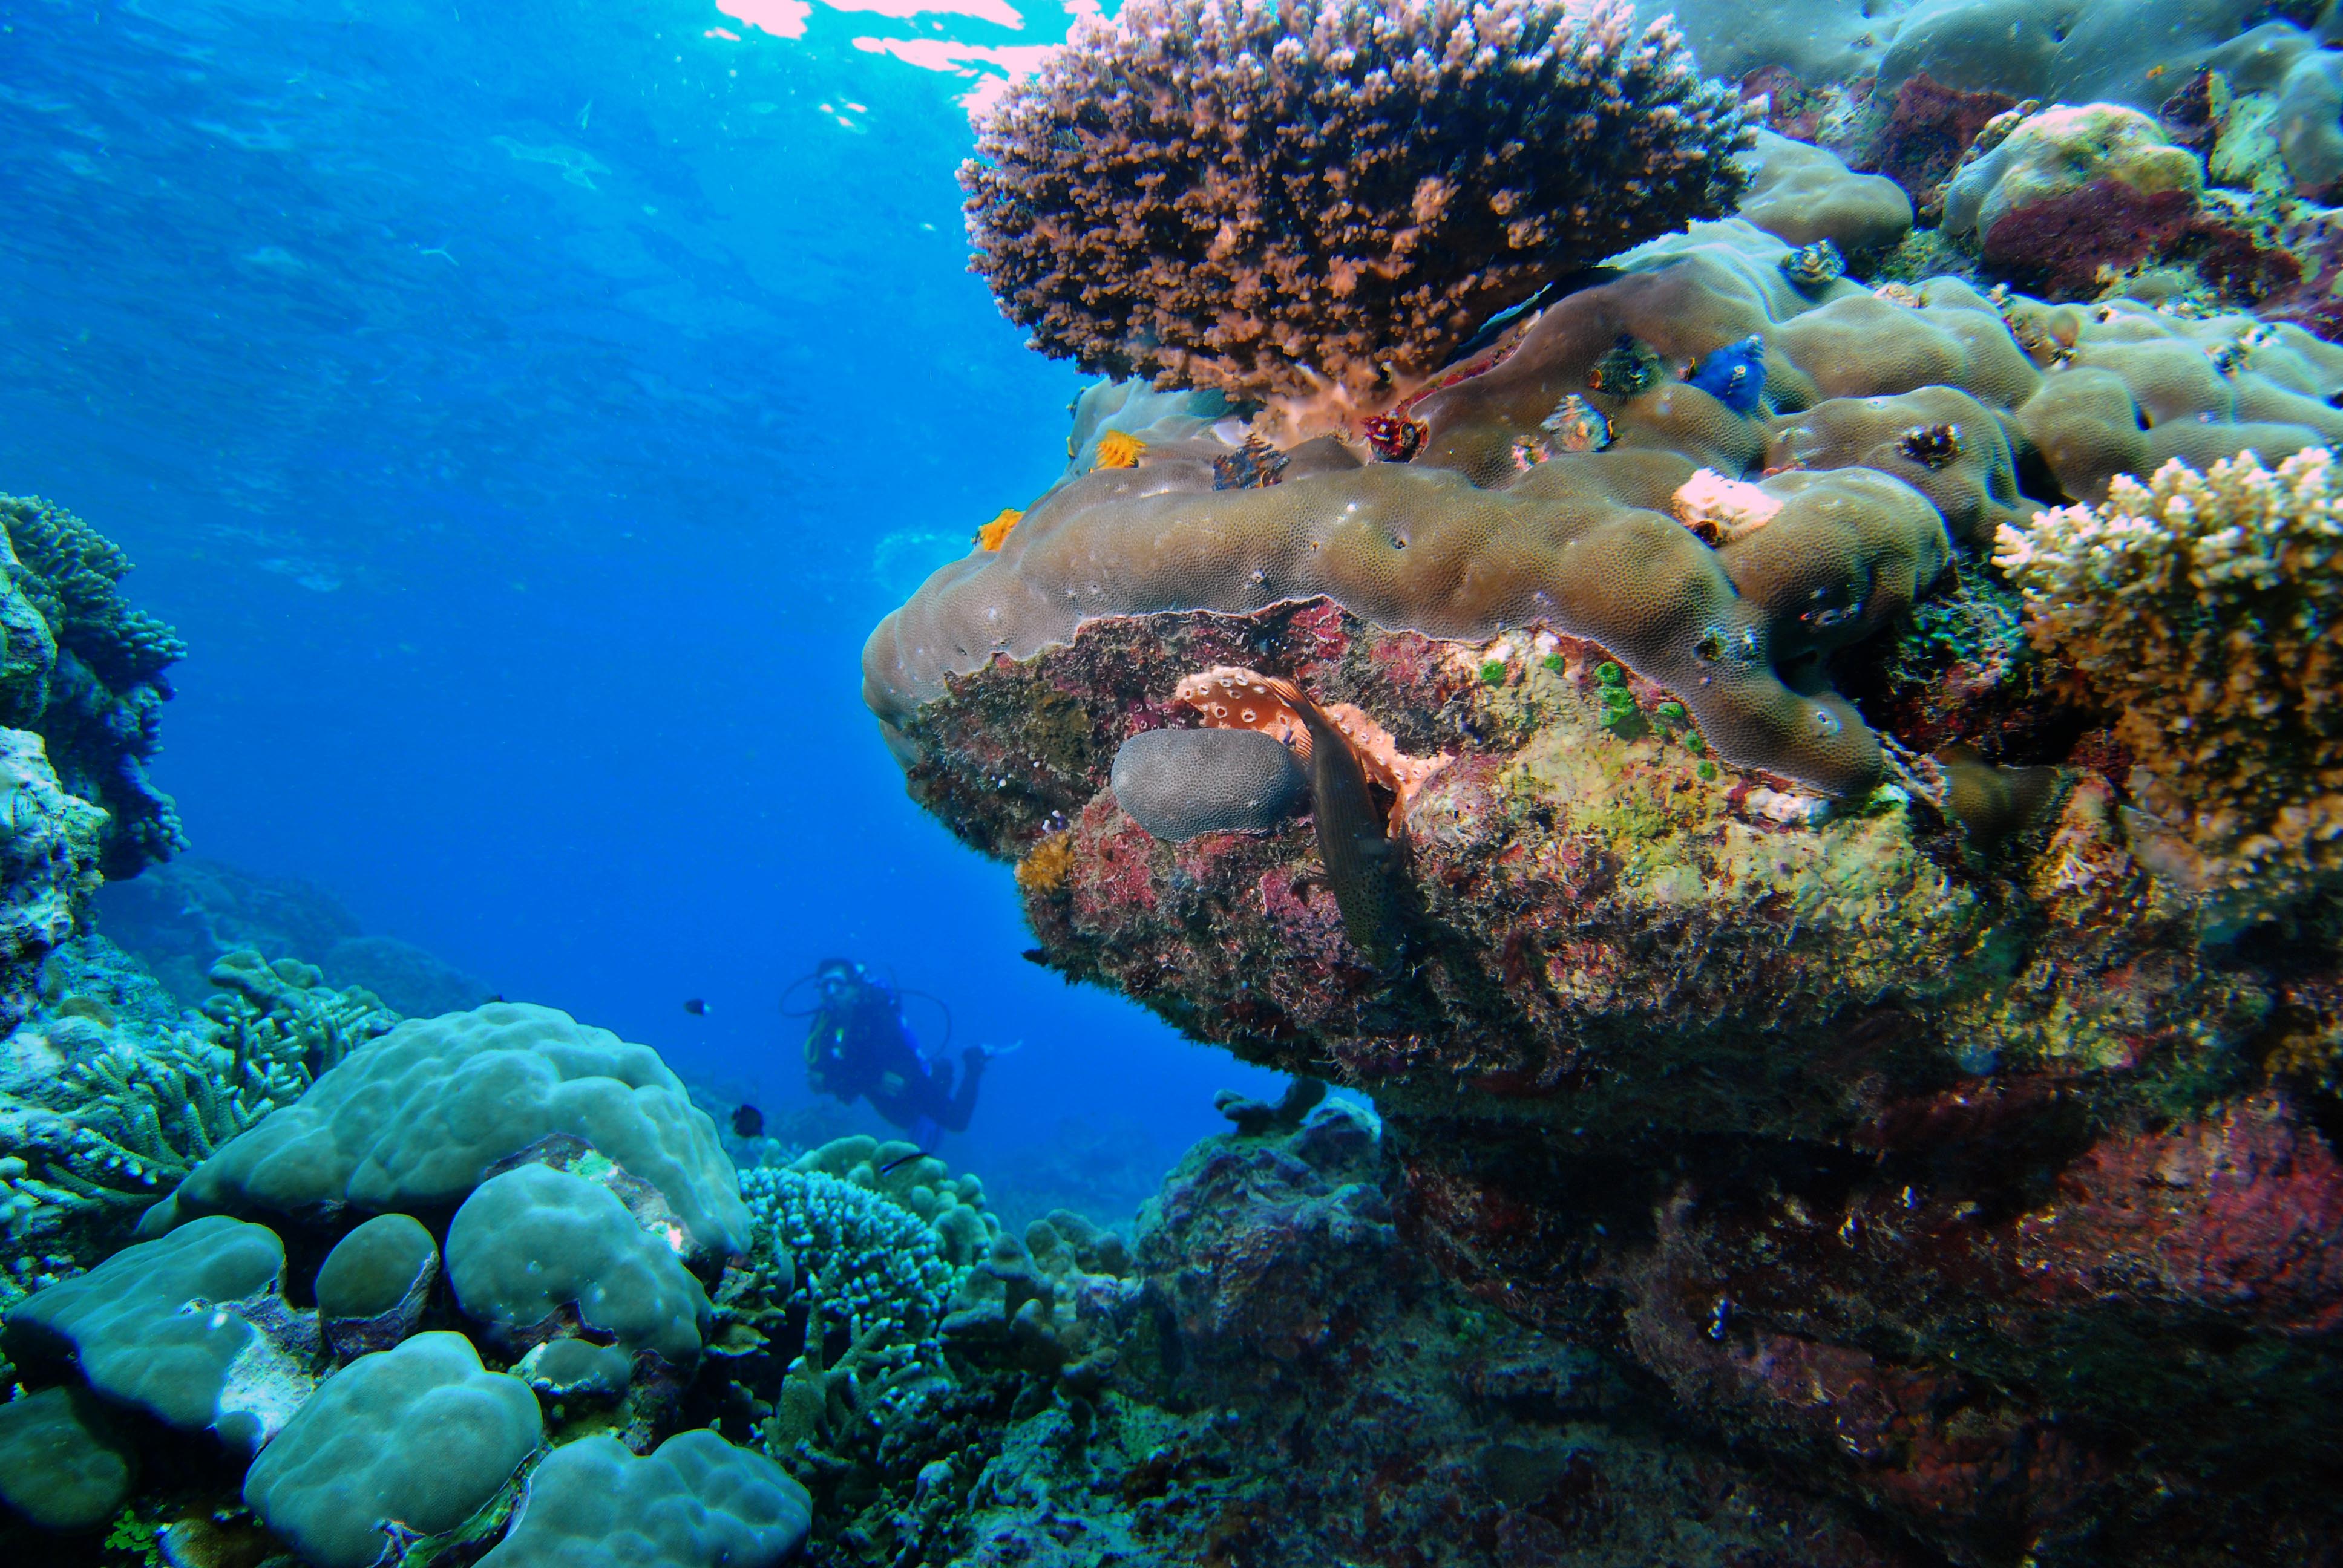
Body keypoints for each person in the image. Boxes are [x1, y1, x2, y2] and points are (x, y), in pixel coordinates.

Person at [795, 959, 988, 1146]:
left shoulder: (877, 1013)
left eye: (838, 984)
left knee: (957, 1122)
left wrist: (836, 1080)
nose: (831, 992)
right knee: (904, 1120)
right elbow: (823, 1073)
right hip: (878, 1087)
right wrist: (825, 1080)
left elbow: (897, 1059)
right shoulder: (823, 1025)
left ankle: (973, 1064)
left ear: (854, 986)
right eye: (824, 985)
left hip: (907, 1076)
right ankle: (941, 1073)